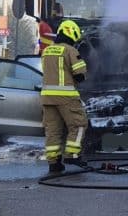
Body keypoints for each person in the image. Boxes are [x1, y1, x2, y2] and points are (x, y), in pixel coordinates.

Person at [41, 20, 88, 174]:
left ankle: (54, 163)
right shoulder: (70, 50)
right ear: (72, 33)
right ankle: (72, 155)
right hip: (66, 96)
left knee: (53, 130)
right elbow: (80, 74)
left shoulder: (47, 51)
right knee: (79, 124)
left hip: (47, 97)